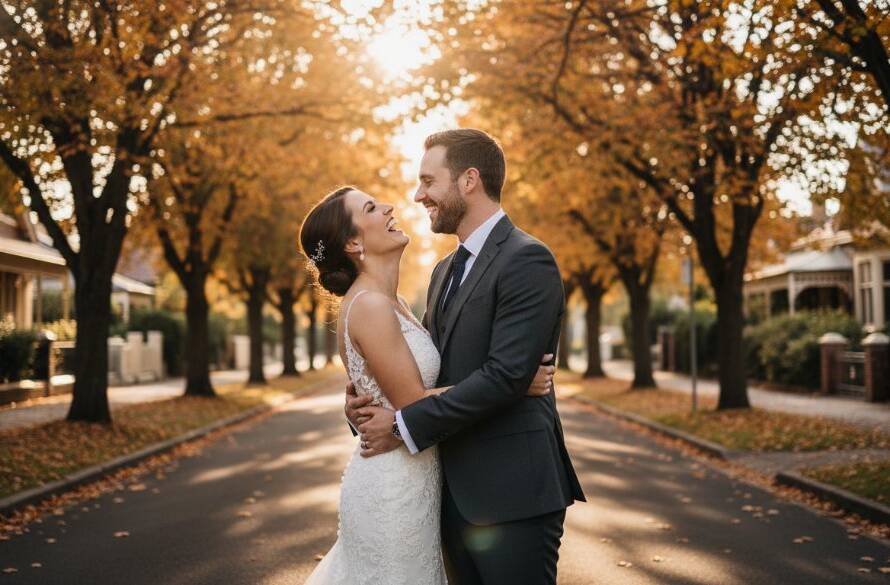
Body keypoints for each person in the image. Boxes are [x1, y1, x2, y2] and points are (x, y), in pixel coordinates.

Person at [347, 129, 585, 585]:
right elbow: (421, 370)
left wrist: (400, 426)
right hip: (448, 498)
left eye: (428, 182)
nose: (418, 196)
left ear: (469, 180)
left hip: (513, 495)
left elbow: (504, 377)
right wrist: (363, 403)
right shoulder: (443, 271)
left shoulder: (527, 259)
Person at [299, 183, 555, 585]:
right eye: (370, 207)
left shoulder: (395, 300)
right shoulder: (368, 305)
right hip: (393, 487)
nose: (388, 206)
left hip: (420, 478)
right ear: (352, 241)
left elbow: (407, 389)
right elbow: (413, 400)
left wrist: (365, 410)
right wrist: (515, 382)